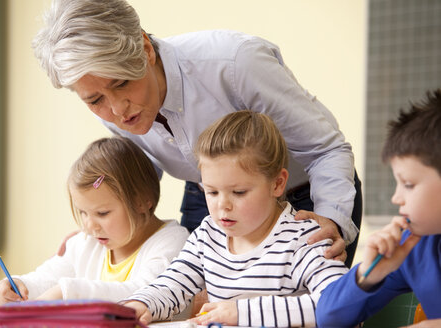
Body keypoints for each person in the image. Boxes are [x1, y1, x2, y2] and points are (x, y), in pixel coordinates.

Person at [32, 0, 362, 266]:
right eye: (95, 99)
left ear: (145, 49)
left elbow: (327, 149)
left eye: (121, 84)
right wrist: (96, 224)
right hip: (207, 195)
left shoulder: (235, 64)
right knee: (198, 305)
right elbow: (139, 177)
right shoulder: (112, 107)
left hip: (308, 193)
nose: (117, 111)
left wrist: (330, 217)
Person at [123, 111, 349, 327]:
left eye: (239, 192)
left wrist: (241, 312)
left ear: (278, 183)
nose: (223, 205)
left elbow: (341, 304)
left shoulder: (304, 239)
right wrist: (142, 304)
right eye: (211, 192)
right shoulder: (207, 235)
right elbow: (172, 283)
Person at [0, 137, 189, 305]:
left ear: (142, 202)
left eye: (102, 213)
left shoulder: (173, 242)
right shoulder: (87, 242)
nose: (89, 226)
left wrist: (66, 291)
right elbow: (46, 279)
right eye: (83, 213)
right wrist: (17, 285)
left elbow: (146, 293)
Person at [316, 90, 441, 327]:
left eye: (408, 184)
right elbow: (328, 318)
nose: (396, 198)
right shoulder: (413, 247)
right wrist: (368, 274)